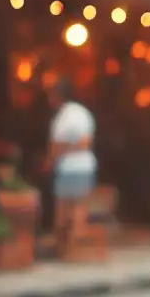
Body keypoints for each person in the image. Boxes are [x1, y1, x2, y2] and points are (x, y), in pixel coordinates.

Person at [46, 77, 95, 256]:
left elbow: (56, 147)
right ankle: (73, 248)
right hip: (84, 167)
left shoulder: (62, 118)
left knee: (64, 210)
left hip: (68, 168)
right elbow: (85, 143)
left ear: (58, 96)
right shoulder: (83, 113)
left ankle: (65, 248)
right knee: (79, 207)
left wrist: (59, 153)